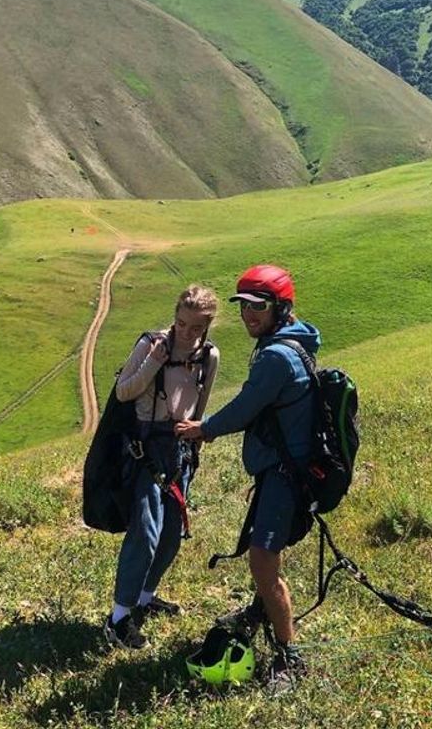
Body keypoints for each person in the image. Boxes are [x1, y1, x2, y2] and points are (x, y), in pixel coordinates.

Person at [176, 264, 319, 692]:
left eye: (260, 307)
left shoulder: (276, 356)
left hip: (283, 475)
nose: (249, 316)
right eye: (244, 308)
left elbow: (247, 406)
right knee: (265, 557)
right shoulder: (294, 341)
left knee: (262, 560)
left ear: (282, 307)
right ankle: (261, 611)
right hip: (284, 470)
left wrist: (203, 428)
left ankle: (289, 656)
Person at [104, 285, 220, 650]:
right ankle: (118, 618)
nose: (186, 333)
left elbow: (200, 403)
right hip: (146, 450)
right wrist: (155, 359)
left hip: (180, 451)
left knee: (171, 533)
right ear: (174, 316)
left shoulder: (209, 356)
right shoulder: (152, 344)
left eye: (195, 328)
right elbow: (124, 391)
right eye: (181, 323)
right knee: (146, 531)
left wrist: (197, 436)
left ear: (207, 326)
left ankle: (143, 597)